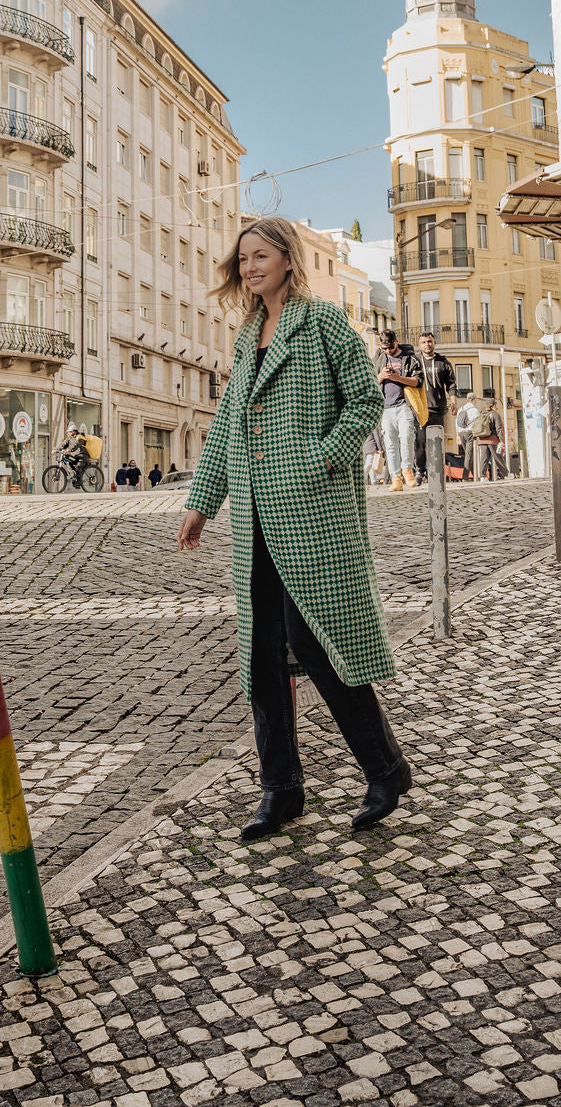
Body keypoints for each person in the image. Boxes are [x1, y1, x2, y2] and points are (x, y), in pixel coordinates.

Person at [178, 216, 411, 842]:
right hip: (256, 515)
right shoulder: (247, 332)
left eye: (261, 256)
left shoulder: (324, 321)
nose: (250, 267)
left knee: (314, 642)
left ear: (288, 258)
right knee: (261, 656)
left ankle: (386, 767)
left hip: (312, 510)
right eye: (243, 259)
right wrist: (203, 502)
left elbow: (365, 399)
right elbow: (228, 423)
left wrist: (324, 458)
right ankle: (280, 788)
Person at [371, 329, 421, 490]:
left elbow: (418, 381)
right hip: (386, 407)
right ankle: (395, 479)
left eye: (390, 348)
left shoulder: (409, 357)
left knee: (407, 436)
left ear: (396, 342)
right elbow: (371, 380)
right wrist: (382, 376)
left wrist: (398, 378)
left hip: (404, 405)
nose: (388, 351)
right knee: (390, 444)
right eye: (384, 348)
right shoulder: (379, 358)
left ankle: (407, 471)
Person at [413, 332, 459, 483]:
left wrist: (453, 402)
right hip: (419, 409)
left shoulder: (443, 362)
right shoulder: (415, 361)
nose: (427, 344)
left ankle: (435, 471)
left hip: (438, 409)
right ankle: (420, 472)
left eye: (430, 341)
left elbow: (451, 384)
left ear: (434, 343)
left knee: (436, 443)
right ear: (419, 345)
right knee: (419, 442)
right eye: (424, 342)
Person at [476, 397, 508, 481]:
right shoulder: (495, 414)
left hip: (481, 439)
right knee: (498, 457)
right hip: (492, 439)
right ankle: (506, 474)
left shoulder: (481, 413)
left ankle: (483, 476)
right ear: (493, 405)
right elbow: (499, 429)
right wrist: (501, 440)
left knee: (484, 458)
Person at [455, 395, 480, 480]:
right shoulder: (475, 410)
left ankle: (474, 474)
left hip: (461, 433)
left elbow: (456, 423)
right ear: (474, 399)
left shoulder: (461, 409)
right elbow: (478, 424)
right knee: (469, 455)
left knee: (469, 454)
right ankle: (464, 477)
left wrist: (457, 435)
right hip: (470, 433)